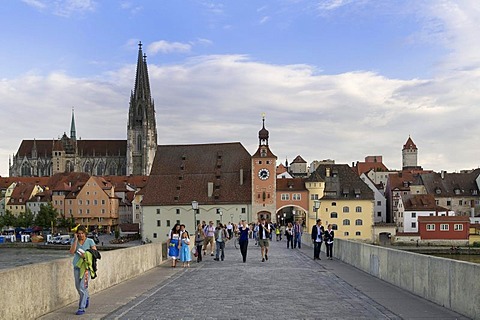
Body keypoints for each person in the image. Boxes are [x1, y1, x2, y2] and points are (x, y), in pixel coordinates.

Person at [69, 225, 97, 316]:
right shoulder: (75, 241)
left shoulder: (90, 241)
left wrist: (86, 255)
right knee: (78, 286)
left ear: (85, 233)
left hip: (86, 267)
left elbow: (95, 253)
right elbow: (72, 252)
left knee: (82, 287)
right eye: (79, 233)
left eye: (82, 233)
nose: (81, 235)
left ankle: (81, 307)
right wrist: (76, 240)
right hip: (77, 266)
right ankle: (86, 297)